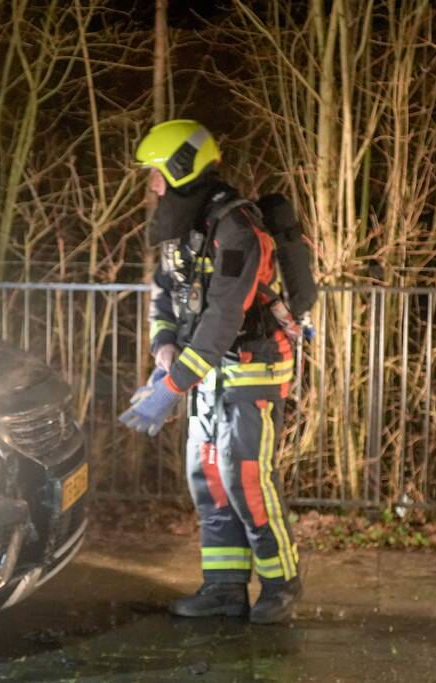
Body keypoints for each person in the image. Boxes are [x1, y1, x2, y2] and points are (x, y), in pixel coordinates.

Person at [120, 119, 302, 624]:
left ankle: (280, 583)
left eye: (156, 174)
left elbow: (223, 316)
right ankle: (223, 589)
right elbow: (165, 291)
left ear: (181, 168)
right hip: (207, 372)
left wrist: (173, 386)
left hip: (251, 368)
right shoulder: (185, 225)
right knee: (208, 480)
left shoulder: (237, 228)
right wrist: (162, 345)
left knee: (245, 478)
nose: (152, 185)